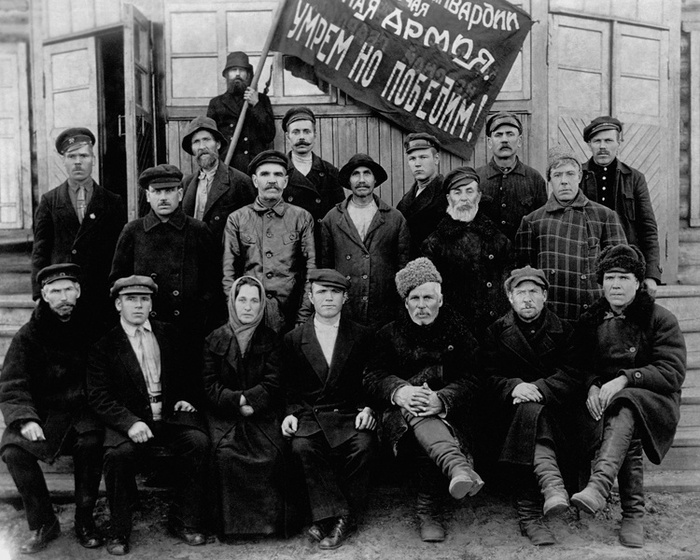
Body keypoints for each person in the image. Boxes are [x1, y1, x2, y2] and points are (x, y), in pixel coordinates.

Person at [570, 245, 686, 549]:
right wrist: (592, 385)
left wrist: (625, 379)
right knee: (620, 416)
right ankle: (632, 513)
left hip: (653, 402)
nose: (616, 285)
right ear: (601, 282)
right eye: (610, 278)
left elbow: (672, 372)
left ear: (637, 282)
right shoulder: (591, 319)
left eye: (624, 277)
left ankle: (602, 489)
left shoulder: (660, 318)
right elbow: (578, 365)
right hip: (603, 401)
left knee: (627, 409)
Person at [87, 276, 210, 556]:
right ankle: (119, 530)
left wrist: (185, 397)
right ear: (118, 304)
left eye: (144, 299)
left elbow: (191, 373)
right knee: (117, 455)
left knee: (198, 442)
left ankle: (184, 520)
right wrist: (130, 422)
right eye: (131, 299)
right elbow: (98, 396)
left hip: (169, 417)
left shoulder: (169, 334)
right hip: (131, 420)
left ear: (151, 304)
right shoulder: (104, 345)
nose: (138, 305)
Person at [364, 258, 483, 543]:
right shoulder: (388, 333)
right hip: (399, 416)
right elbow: (372, 376)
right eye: (414, 298)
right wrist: (400, 391)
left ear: (440, 300)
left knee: (424, 408)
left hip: (450, 414)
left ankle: (440, 494)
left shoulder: (460, 333)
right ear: (405, 303)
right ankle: (444, 487)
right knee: (416, 404)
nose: (421, 305)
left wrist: (442, 399)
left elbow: (475, 378)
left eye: (428, 297)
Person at [0, 264, 103, 553]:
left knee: (91, 443)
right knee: (14, 452)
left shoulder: (94, 327)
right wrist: (26, 419)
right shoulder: (28, 335)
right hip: (46, 415)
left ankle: (85, 520)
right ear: (44, 296)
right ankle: (44, 522)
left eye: (69, 289)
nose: (63, 297)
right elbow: (12, 383)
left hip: (85, 411)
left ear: (78, 291)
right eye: (55, 291)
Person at [483, 266, 582, 546]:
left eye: (533, 292)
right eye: (520, 293)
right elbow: (486, 377)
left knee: (532, 413)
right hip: (507, 422)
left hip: (557, 419)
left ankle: (531, 513)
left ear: (545, 296)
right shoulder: (495, 332)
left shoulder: (565, 331)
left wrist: (539, 389)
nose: (527, 299)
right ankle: (550, 490)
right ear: (510, 298)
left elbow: (573, 374)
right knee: (527, 414)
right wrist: (514, 387)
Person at [282, 269, 377, 550]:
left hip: (349, 413)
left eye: (335, 292)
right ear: (310, 297)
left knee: (363, 446)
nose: (328, 298)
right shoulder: (293, 339)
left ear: (345, 298)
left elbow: (372, 379)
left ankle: (333, 518)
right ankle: (338, 516)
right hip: (312, 414)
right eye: (321, 292)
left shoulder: (361, 335)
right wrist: (290, 413)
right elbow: (288, 388)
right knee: (302, 446)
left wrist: (369, 408)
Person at [202, 276, 287, 538]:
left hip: (262, 414)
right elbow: (210, 386)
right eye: (242, 300)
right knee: (225, 454)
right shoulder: (214, 339)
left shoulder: (271, 339)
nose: (248, 307)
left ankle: (267, 527)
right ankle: (232, 528)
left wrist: (253, 402)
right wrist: (239, 401)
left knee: (272, 454)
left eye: (254, 300)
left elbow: (273, 383)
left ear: (262, 305)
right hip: (225, 415)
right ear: (232, 302)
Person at [515, 147, 627, 323]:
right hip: (552, 318)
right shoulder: (532, 221)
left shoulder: (604, 216)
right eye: (557, 175)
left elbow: (621, 269)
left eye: (570, 174)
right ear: (549, 180)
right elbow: (525, 278)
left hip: (595, 315)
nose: (564, 181)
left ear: (579, 177)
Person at [110, 164, 219, 341]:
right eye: (157, 192)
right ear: (148, 196)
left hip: (189, 330)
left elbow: (212, 283)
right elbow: (117, 281)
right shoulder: (133, 231)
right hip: (146, 328)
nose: (163, 198)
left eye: (169, 191)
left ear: (180, 194)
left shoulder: (198, 230)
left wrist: (199, 314)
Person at [31, 127, 125, 329]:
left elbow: (120, 252)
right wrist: (39, 293)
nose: (77, 162)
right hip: (64, 294)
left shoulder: (112, 201)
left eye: (83, 156)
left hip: (100, 294)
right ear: (63, 161)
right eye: (71, 156)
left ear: (93, 160)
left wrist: (118, 290)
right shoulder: (50, 201)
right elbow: (40, 250)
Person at [222, 150, 315, 333]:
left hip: (290, 316)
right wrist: (236, 314)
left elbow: (311, 269)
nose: (272, 180)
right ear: (255, 181)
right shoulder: (237, 219)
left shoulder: (302, 218)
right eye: (265, 174)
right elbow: (228, 272)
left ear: (285, 181)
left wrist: (303, 316)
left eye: (278, 174)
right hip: (250, 316)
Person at [321, 153, 410, 331]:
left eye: (367, 173)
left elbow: (404, 268)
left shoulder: (394, 218)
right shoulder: (332, 219)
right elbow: (325, 269)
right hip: (345, 310)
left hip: (384, 312)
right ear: (349, 180)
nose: (361, 180)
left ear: (375, 179)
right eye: (356, 174)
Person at [422, 166, 512, 341]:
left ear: (478, 196)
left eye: (469, 191)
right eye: (457, 192)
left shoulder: (499, 240)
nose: (464, 198)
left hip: (495, 331)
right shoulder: (434, 244)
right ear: (449, 198)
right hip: (453, 333)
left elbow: (510, 288)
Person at [581, 116, 662, 296]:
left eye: (609, 140)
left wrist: (651, 274)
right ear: (589, 144)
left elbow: (648, 228)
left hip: (626, 265)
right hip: (587, 268)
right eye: (597, 141)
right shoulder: (578, 176)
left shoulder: (634, 178)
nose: (602, 146)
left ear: (619, 143)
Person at [179, 115, 256, 245]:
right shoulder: (186, 184)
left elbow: (251, 228)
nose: (202, 146)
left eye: (206, 140)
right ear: (192, 149)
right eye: (196, 142)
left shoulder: (240, 182)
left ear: (218, 144)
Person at [282, 106, 345, 261]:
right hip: (287, 250)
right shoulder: (278, 172)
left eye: (306, 131)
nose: (301, 137)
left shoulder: (330, 172)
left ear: (315, 135)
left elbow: (340, 217)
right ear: (287, 136)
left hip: (321, 248)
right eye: (296, 132)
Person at [477, 112, 547, 242]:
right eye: (498, 135)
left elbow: (542, 225)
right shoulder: (477, 179)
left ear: (519, 141)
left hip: (523, 253)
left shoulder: (535, 179)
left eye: (510, 134)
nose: (504, 139)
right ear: (489, 142)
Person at [207, 51, 276, 173]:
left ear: (248, 75)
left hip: (255, 167)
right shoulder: (216, 103)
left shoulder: (261, 100)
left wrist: (256, 105)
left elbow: (269, 135)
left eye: (242, 70)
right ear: (227, 75)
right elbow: (210, 139)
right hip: (228, 166)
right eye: (233, 70)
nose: (237, 74)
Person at [396, 133, 447, 256]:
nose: (417, 164)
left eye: (423, 157)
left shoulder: (447, 194)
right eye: (412, 158)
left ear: (436, 159)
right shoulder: (405, 200)